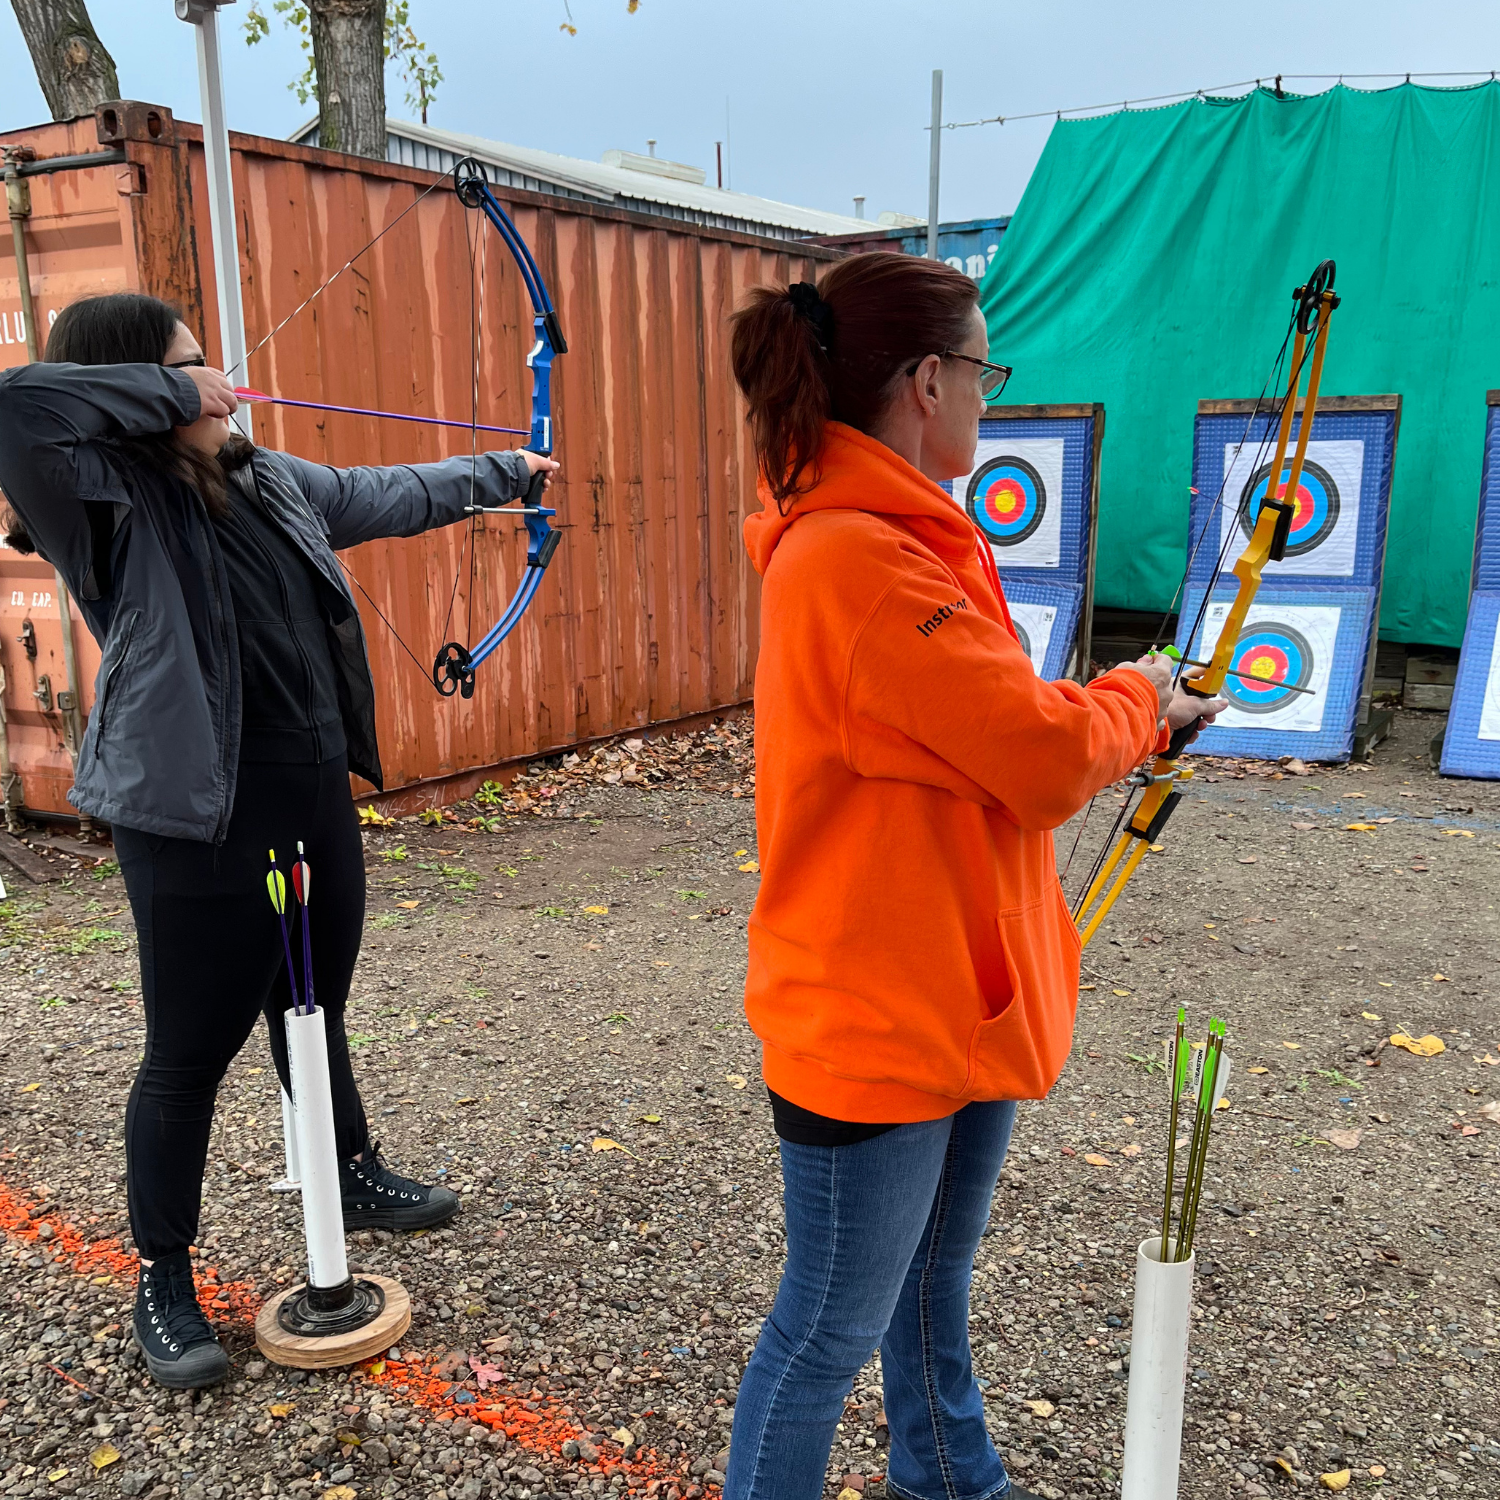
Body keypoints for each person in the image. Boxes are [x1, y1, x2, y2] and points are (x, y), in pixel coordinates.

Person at [723, 253, 1225, 1500]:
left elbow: (985, 726)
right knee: (825, 1332)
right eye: (987, 370)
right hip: (877, 1019)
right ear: (928, 380)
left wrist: (1122, 708)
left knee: (925, 1286)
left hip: (950, 996)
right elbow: (1043, 758)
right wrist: (1140, 699)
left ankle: (952, 1478)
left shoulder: (911, 544)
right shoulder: (856, 561)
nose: (992, 396)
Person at [0, 293, 557, 1389]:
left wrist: (505, 471)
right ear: (136, 391)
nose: (220, 384)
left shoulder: (261, 479)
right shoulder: (97, 498)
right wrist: (174, 391)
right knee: (188, 1054)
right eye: (189, 370)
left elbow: (382, 493)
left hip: (307, 792)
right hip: (195, 817)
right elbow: (12, 402)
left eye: (208, 365)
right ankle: (165, 1277)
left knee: (313, 1006)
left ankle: (349, 1172)